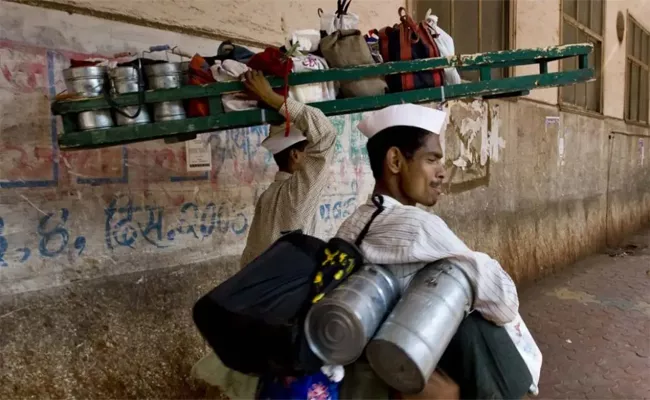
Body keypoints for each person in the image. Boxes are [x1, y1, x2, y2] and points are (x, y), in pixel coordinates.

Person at [335, 103, 540, 399]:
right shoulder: (417, 226)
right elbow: (503, 299)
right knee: (477, 320)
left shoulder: (354, 222)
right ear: (395, 160)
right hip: (401, 376)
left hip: (364, 371)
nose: (442, 173)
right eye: (431, 159)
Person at [239, 70, 337, 268]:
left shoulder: (267, 197)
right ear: (295, 155)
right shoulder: (296, 193)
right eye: (307, 152)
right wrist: (271, 97)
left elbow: (249, 255)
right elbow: (326, 134)